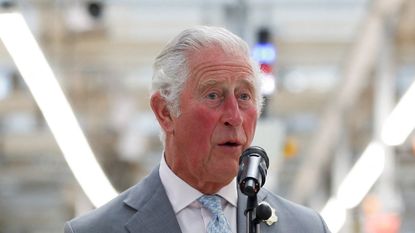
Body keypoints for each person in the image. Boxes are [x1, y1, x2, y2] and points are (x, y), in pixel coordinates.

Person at [64, 26, 331, 233]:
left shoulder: (305, 228)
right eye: (213, 95)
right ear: (165, 111)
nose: (234, 117)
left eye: (245, 96)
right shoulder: (96, 230)